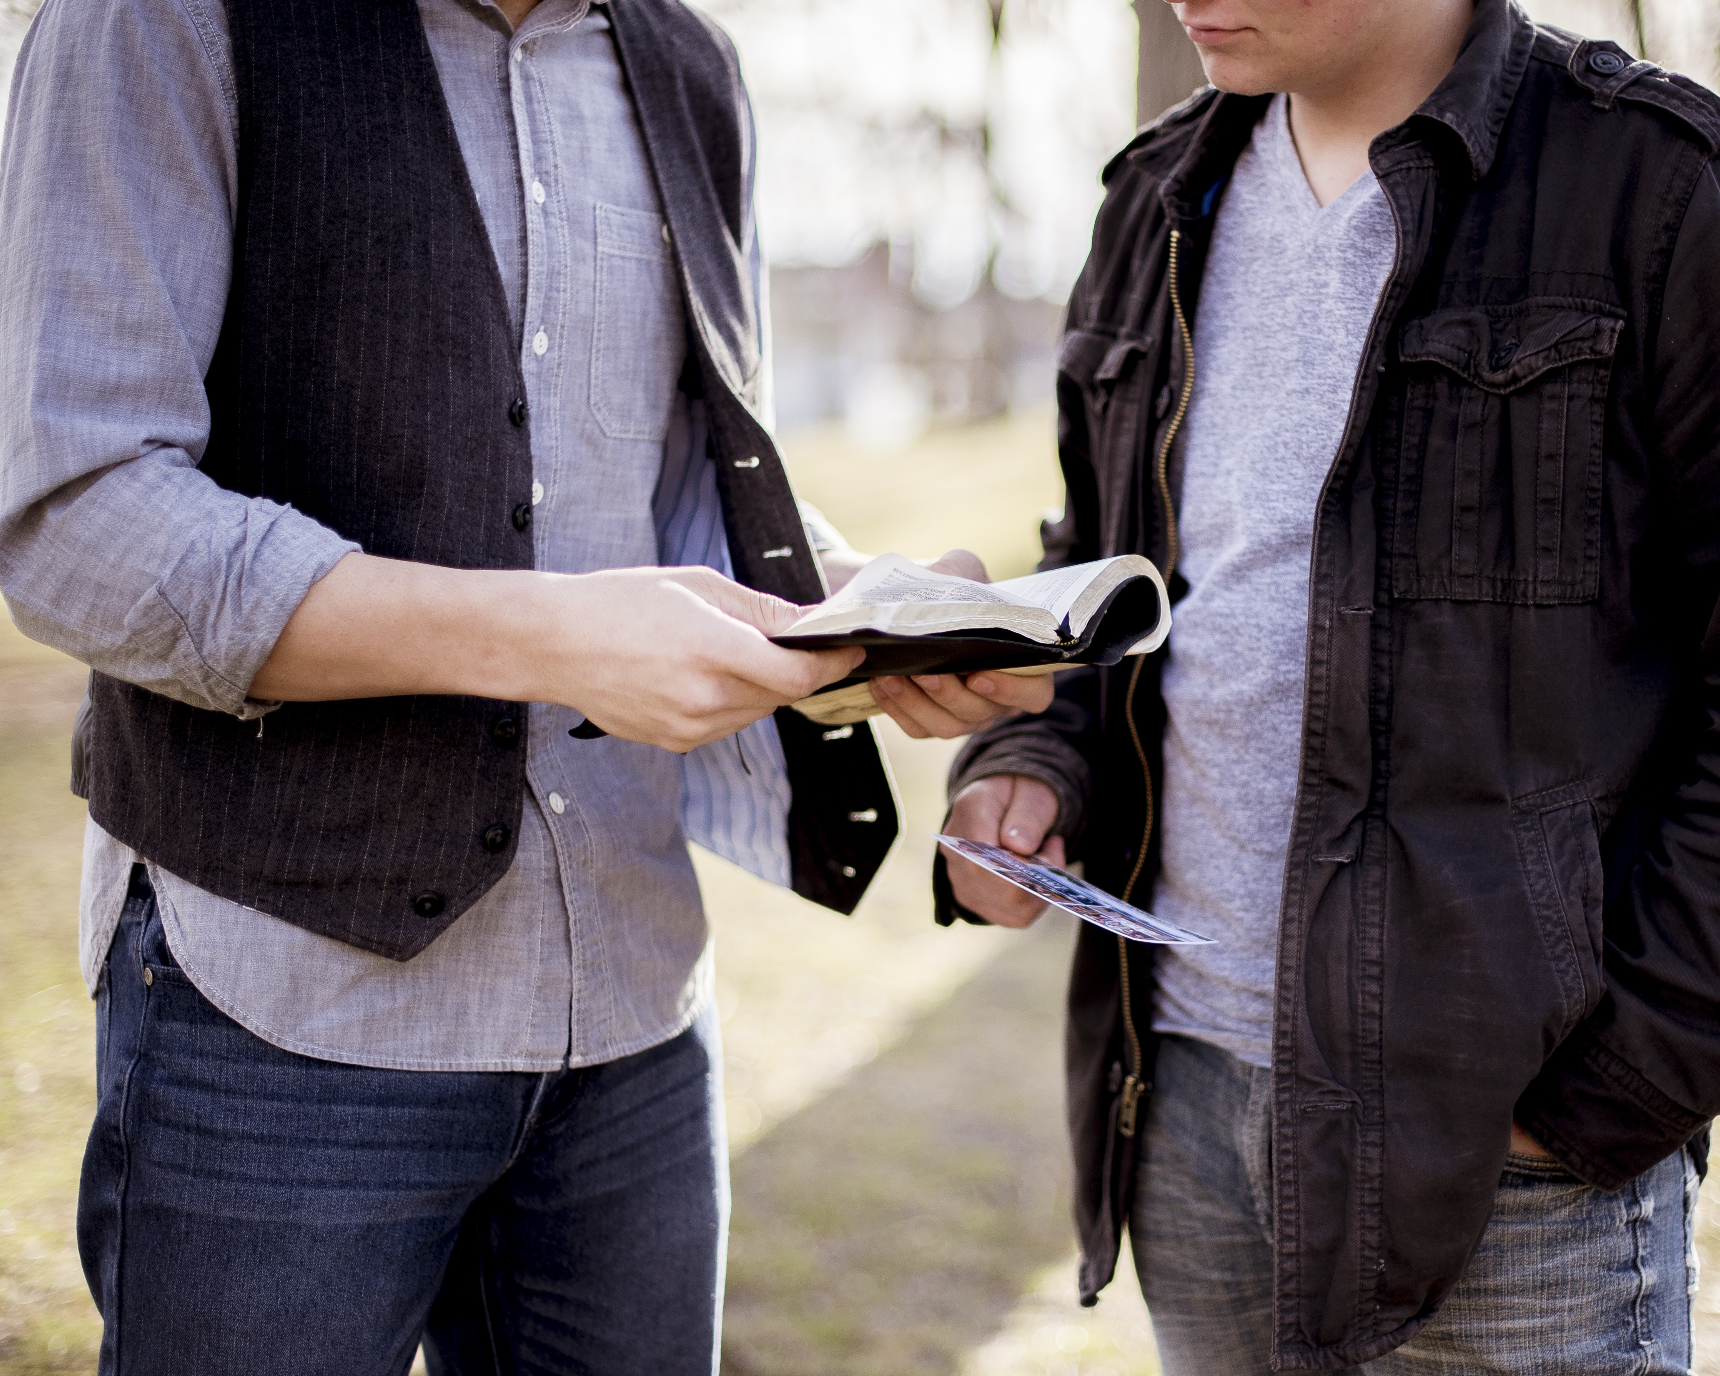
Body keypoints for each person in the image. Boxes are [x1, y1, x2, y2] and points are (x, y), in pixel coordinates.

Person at [0, 0, 1049, 1371]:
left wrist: (862, 614)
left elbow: (672, 497)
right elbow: (78, 521)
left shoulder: (690, 62)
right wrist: (550, 637)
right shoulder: (158, 24)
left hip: (630, 1009)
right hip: (280, 1005)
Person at [937, 0, 1720, 1368]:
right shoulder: (1152, 199)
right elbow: (1101, 578)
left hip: (1511, 1159)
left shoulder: (1659, 191)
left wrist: (1611, 1092)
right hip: (1180, 1102)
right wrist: (1028, 767)